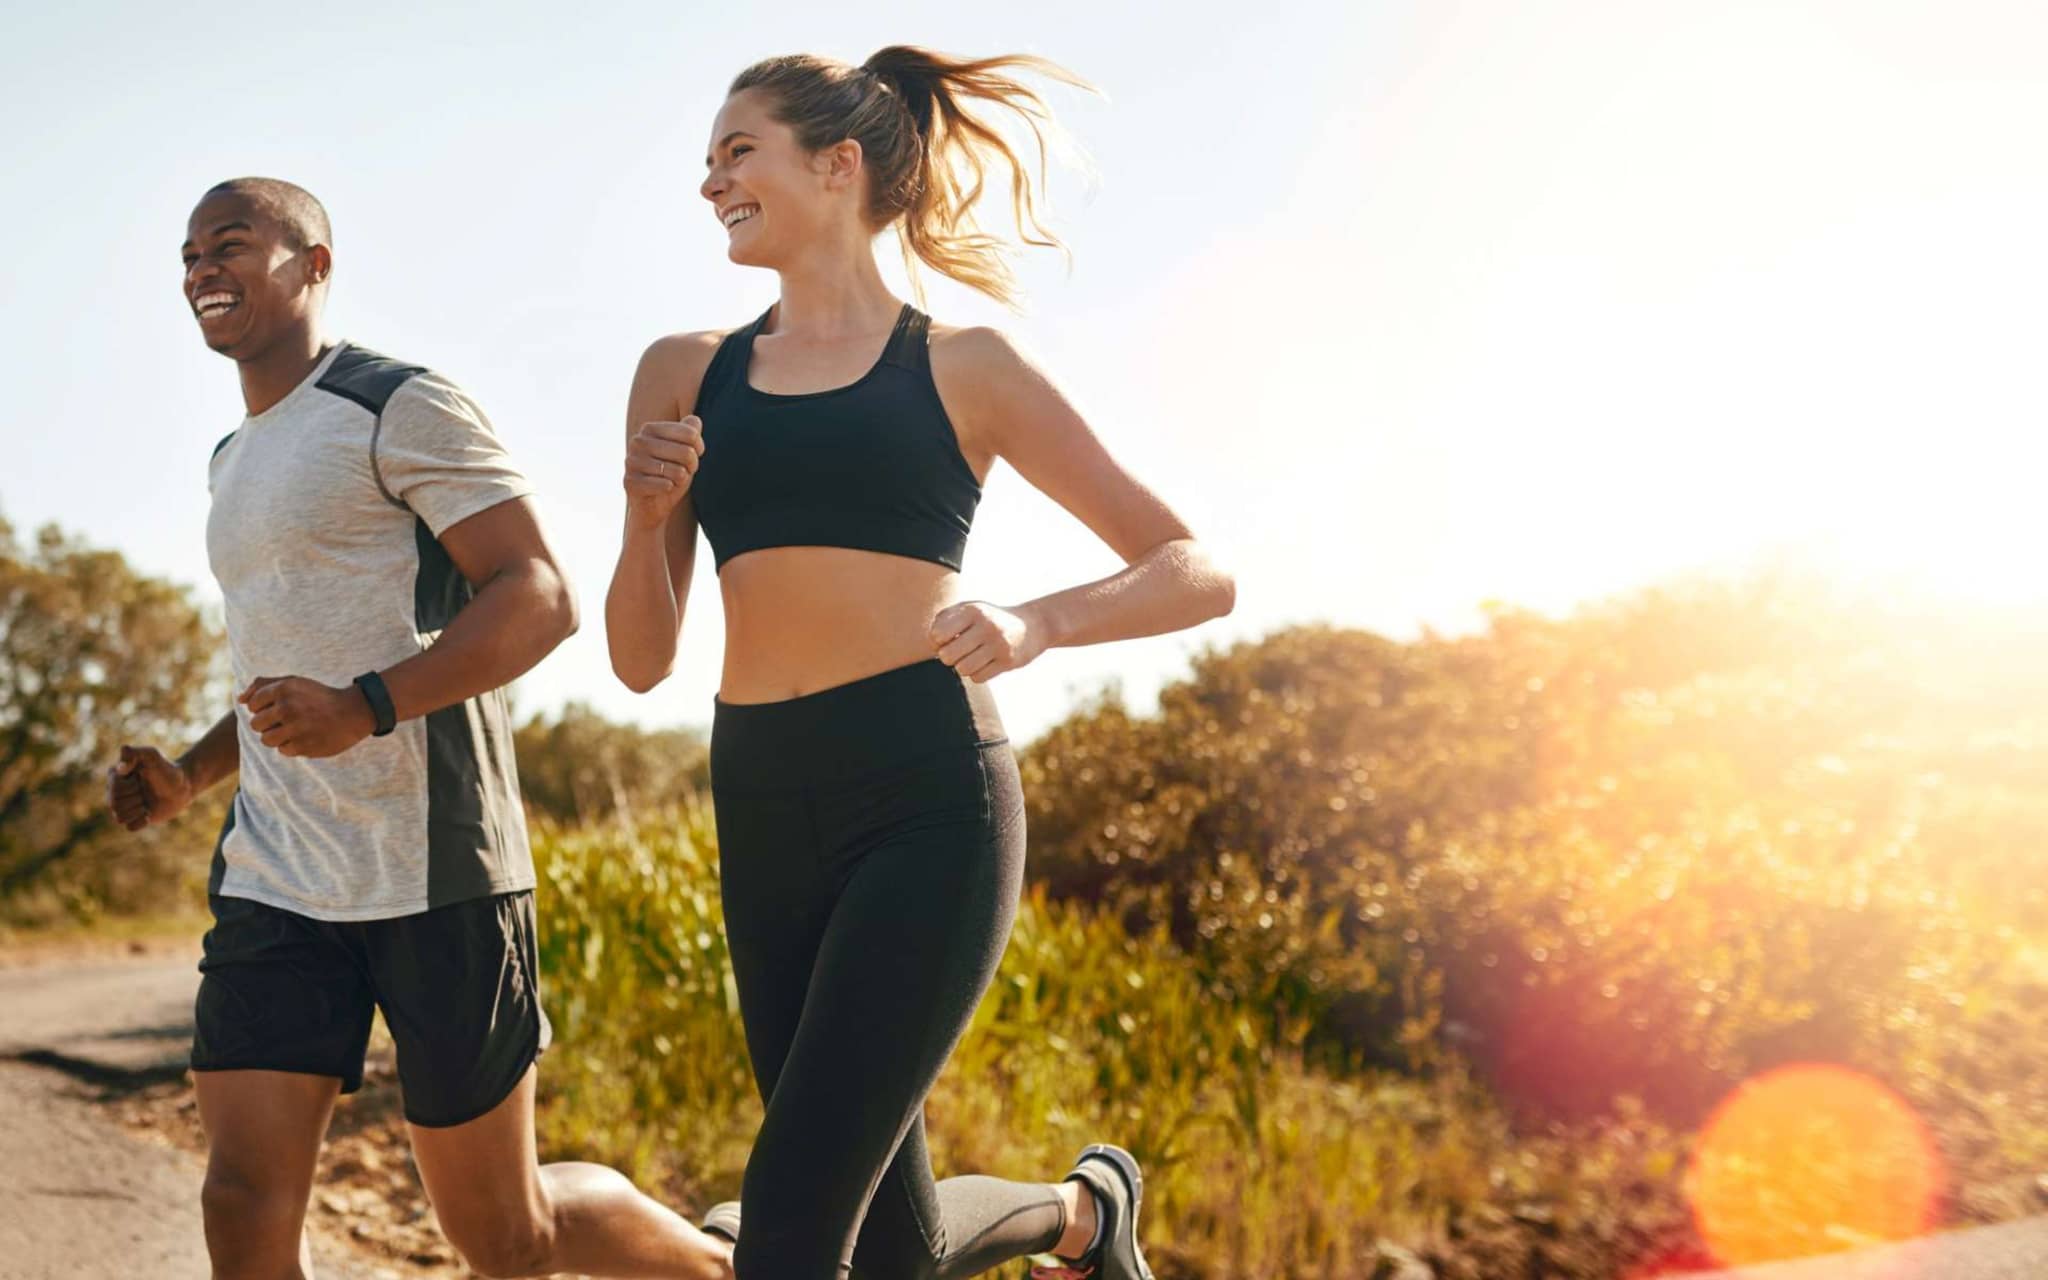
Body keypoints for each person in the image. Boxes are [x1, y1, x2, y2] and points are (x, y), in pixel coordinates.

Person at [605, 47, 1234, 1280]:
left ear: (836, 167)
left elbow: (1193, 566)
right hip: (762, 791)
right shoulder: (685, 371)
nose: (710, 182)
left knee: (781, 1227)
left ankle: (1080, 1214)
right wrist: (640, 514)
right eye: (706, 160)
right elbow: (635, 662)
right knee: (886, 1247)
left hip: (925, 793)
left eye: (738, 151)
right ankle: (1083, 1213)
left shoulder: (966, 368)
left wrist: (1039, 621)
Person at [109, 176, 735, 1280]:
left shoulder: (399, 404)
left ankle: (722, 1261)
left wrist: (368, 707)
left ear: (315, 261)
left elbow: (539, 592)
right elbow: (272, 662)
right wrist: (192, 776)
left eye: (232, 243)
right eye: (189, 253)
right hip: (278, 871)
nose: (201, 266)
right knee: (243, 1196)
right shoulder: (230, 459)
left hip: (437, 867)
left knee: (504, 1234)